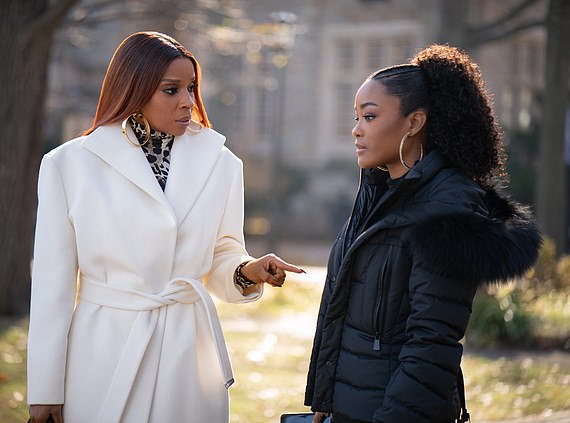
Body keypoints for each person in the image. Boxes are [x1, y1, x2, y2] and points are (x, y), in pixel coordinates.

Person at [27, 31, 305, 423]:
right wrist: (45, 389)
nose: (188, 101)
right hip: (101, 353)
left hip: (187, 355)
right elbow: (51, 289)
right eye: (171, 90)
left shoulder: (222, 163)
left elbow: (224, 255)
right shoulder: (68, 165)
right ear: (134, 89)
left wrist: (247, 271)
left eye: (191, 88)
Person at [305, 45, 542, 423]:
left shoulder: (445, 211)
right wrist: (326, 399)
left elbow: (431, 345)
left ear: (414, 123)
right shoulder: (378, 195)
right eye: (356, 117)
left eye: (369, 116)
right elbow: (343, 312)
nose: (356, 129)